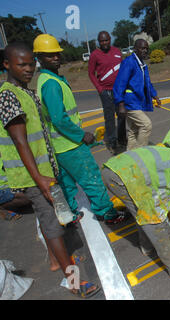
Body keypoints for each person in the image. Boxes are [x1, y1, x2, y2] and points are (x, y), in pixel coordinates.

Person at [0, 42, 100, 298]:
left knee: (51, 221)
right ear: (7, 65)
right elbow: (20, 141)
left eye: (31, 63)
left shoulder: (26, 92)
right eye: (21, 64)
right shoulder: (8, 95)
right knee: (53, 225)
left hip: (42, 171)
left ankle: (57, 261)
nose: (29, 69)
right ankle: (75, 281)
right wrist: (40, 179)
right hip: (34, 176)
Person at [34, 34, 126, 225]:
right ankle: (106, 213)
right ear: (39, 58)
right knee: (91, 178)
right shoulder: (51, 83)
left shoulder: (47, 79)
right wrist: (81, 135)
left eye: (57, 54)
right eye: (49, 55)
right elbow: (59, 119)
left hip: (59, 145)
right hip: (71, 144)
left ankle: (70, 214)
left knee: (67, 183)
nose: (56, 58)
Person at [101, 145, 170, 278]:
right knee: (155, 221)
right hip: (123, 176)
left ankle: (147, 246)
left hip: (113, 169)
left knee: (141, 212)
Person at [113, 39, 161, 150]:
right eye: (142, 48)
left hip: (137, 101)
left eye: (146, 49)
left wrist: (155, 95)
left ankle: (130, 156)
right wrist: (120, 104)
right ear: (135, 49)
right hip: (130, 103)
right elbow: (119, 84)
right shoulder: (129, 62)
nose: (145, 51)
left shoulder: (142, 64)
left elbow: (147, 82)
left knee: (133, 131)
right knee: (146, 125)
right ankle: (141, 152)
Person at [88, 31, 126, 155]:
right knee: (109, 118)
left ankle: (122, 138)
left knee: (122, 114)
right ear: (99, 42)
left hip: (119, 90)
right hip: (106, 92)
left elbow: (122, 69)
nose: (104, 43)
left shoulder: (116, 51)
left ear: (110, 39)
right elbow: (91, 74)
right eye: (102, 41)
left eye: (106, 40)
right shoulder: (95, 55)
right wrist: (100, 89)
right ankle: (112, 141)